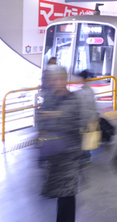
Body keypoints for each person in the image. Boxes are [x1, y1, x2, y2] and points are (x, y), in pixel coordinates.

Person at [38, 65, 84, 222]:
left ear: (65, 80)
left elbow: (71, 121)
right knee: (61, 195)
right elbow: (40, 119)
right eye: (52, 79)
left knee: (67, 195)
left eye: (58, 79)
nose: (54, 82)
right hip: (54, 156)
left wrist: (53, 116)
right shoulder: (49, 98)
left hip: (69, 156)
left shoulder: (74, 99)